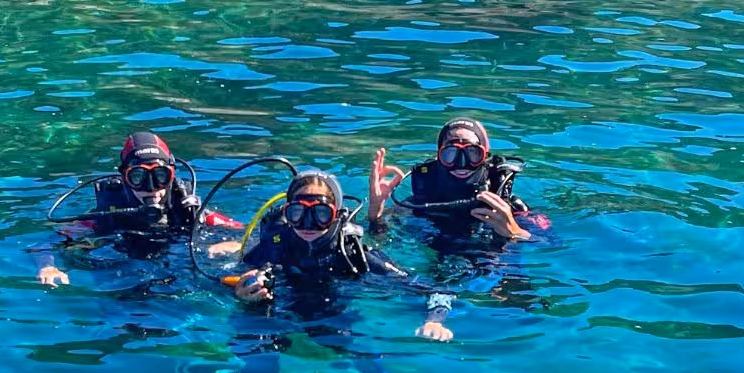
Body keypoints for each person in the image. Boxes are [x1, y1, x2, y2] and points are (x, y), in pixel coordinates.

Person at [228, 168, 455, 341]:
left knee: (343, 345)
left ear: (336, 215)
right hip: (278, 306)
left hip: (333, 314)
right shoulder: (274, 246)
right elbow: (221, 277)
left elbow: (436, 290)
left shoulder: (354, 256)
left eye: (321, 214)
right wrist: (241, 289)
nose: (308, 224)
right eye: (298, 213)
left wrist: (434, 321)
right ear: (287, 213)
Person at [35, 131, 242, 286]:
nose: (152, 189)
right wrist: (47, 266)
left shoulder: (188, 210)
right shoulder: (106, 215)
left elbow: (249, 234)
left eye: (161, 176)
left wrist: (234, 244)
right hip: (124, 275)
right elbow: (46, 243)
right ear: (124, 178)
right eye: (138, 178)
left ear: (171, 175)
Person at [367, 117, 552, 242]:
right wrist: (375, 214)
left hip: (493, 268)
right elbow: (377, 241)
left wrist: (515, 231)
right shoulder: (419, 204)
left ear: (485, 157)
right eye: (451, 153)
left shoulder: (510, 209)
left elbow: (551, 244)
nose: (461, 164)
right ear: (439, 157)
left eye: (472, 153)